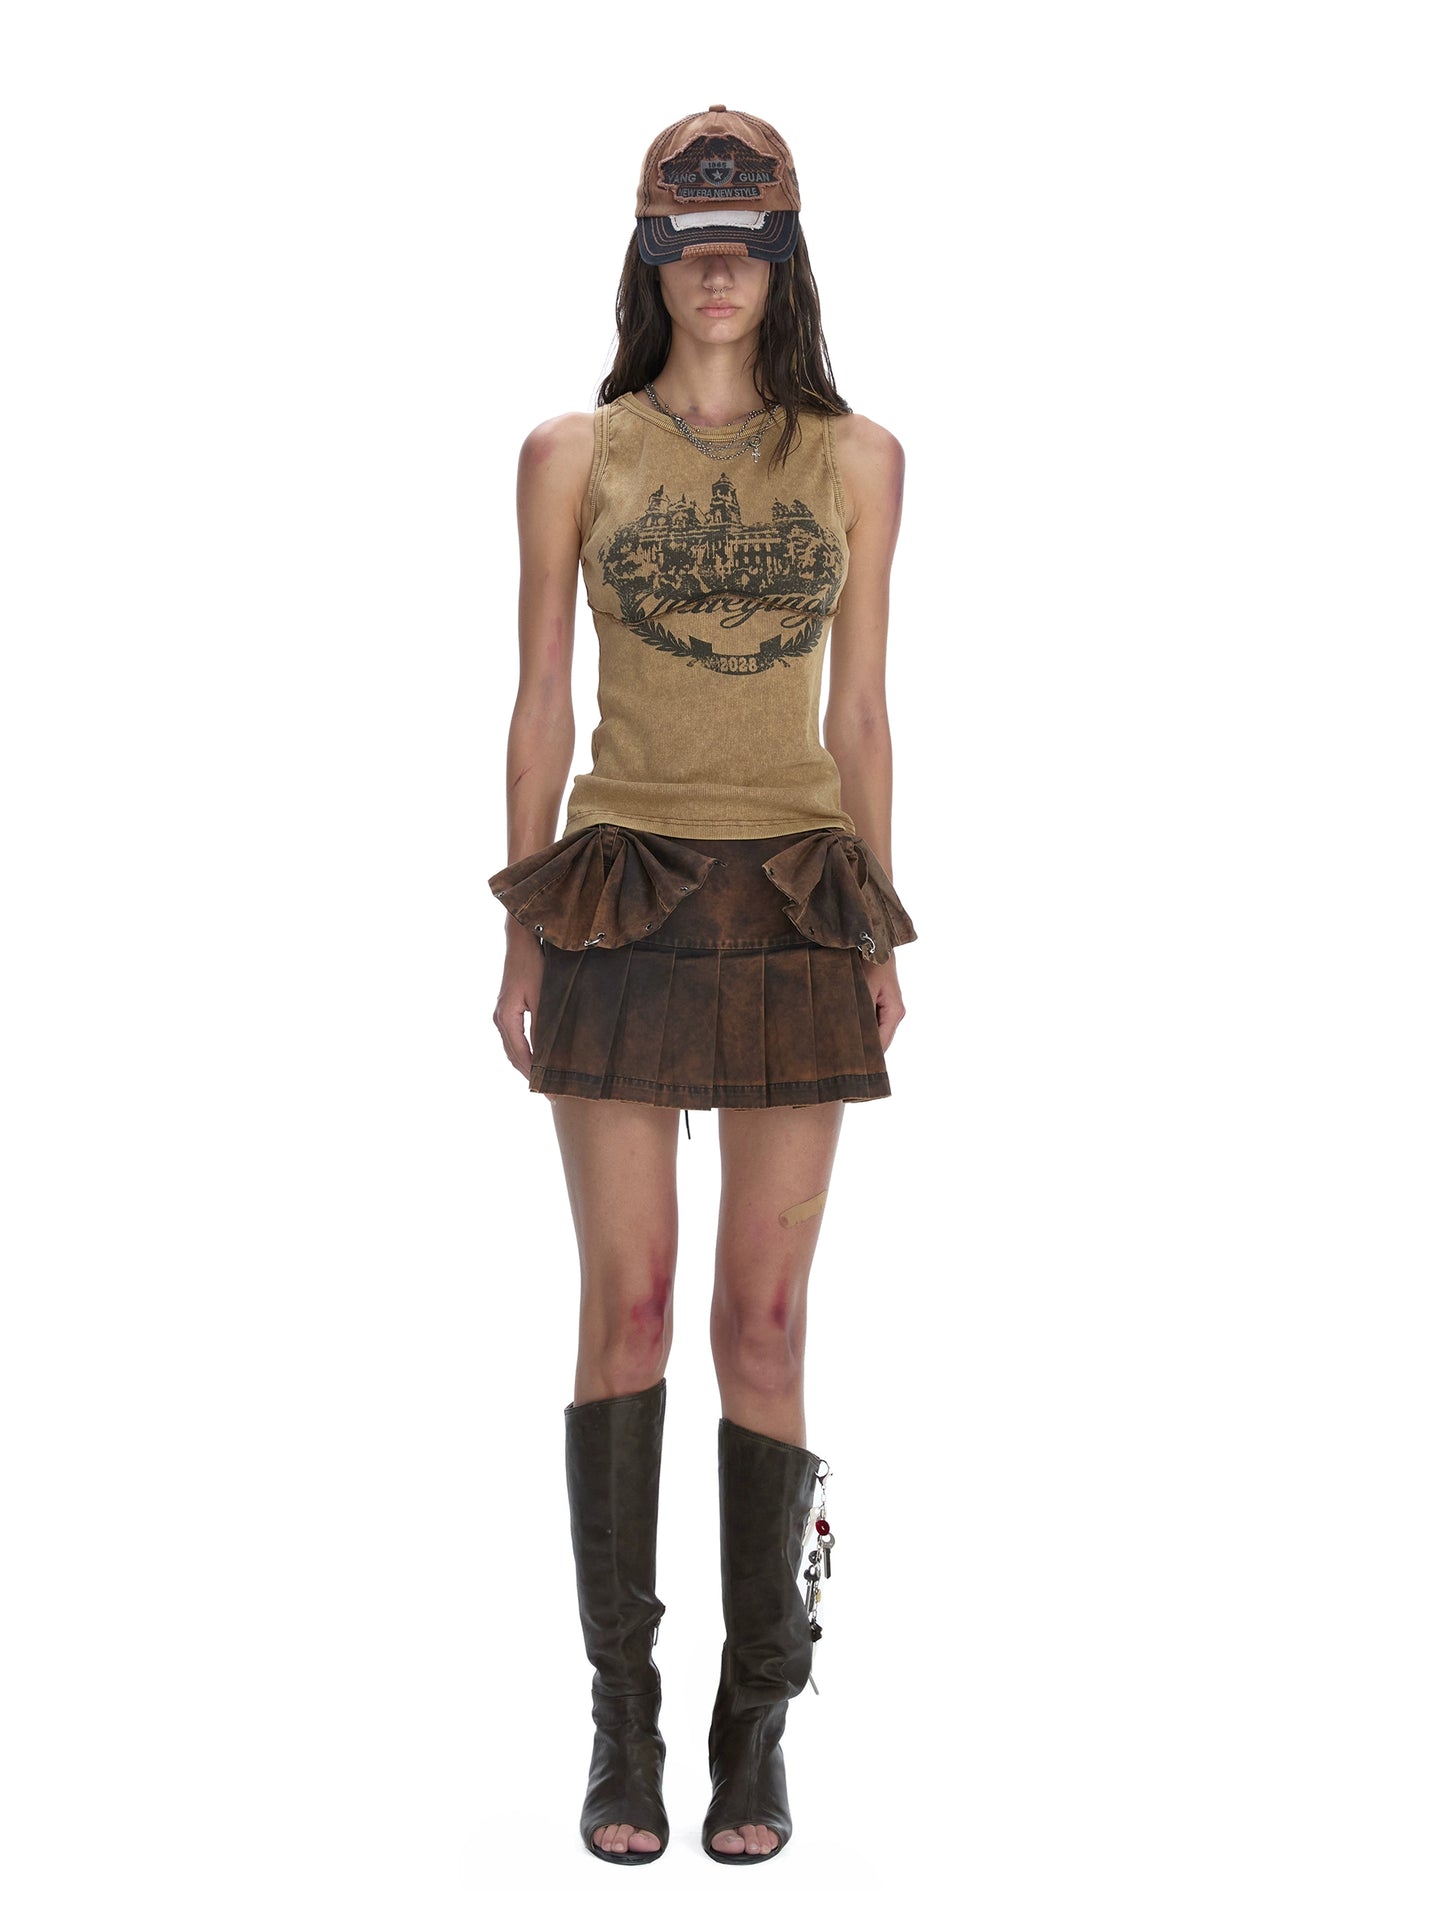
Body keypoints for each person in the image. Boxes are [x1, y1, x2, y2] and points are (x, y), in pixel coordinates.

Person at [489, 104, 917, 1867]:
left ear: (783, 257)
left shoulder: (860, 457)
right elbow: (536, 699)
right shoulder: (569, 453)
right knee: (632, 1307)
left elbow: (861, 709)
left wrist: (878, 926)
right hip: (619, 893)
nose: (718, 270)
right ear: (652, 257)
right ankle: (622, 1719)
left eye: (746, 242)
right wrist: (519, 922)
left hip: (799, 895)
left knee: (765, 1325)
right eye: (690, 241)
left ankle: (758, 1723)